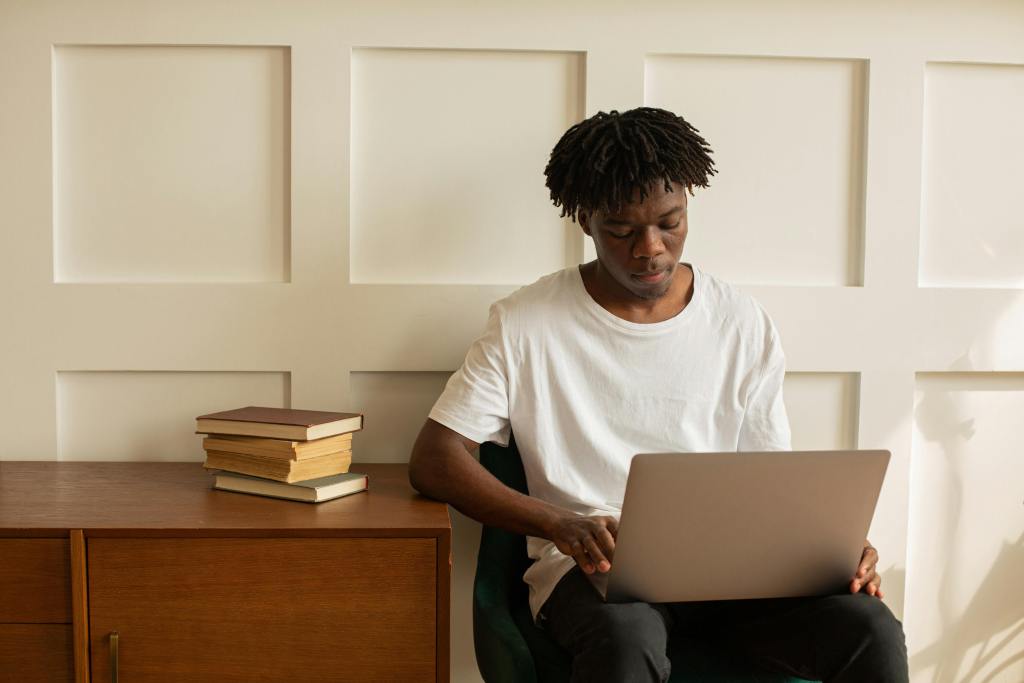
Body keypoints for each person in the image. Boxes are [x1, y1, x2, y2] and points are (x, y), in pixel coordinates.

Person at [408, 107, 908, 682]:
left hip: (734, 575)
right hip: (593, 570)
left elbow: (770, 480)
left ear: (688, 204)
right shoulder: (525, 323)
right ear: (585, 222)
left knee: (871, 629)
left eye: (669, 222)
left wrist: (834, 548)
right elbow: (435, 459)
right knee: (627, 640)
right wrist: (559, 523)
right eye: (621, 231)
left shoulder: (741, 321)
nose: (650, 248)